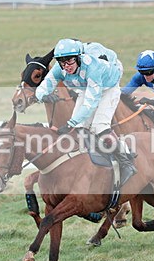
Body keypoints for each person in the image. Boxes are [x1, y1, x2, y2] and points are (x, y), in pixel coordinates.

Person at [35, 38, 136, 182]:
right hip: (86, 88)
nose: (66, 66)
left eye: (70, 61)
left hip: (108, 88)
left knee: (99, 127)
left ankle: (126, 163)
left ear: (78, 58)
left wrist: (70, 123)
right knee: (80, 128)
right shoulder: (60, 68)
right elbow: (45, 85)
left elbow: (90, 104)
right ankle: (95, 158)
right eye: (62, 62)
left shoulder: (93, 68)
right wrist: (40, 96)